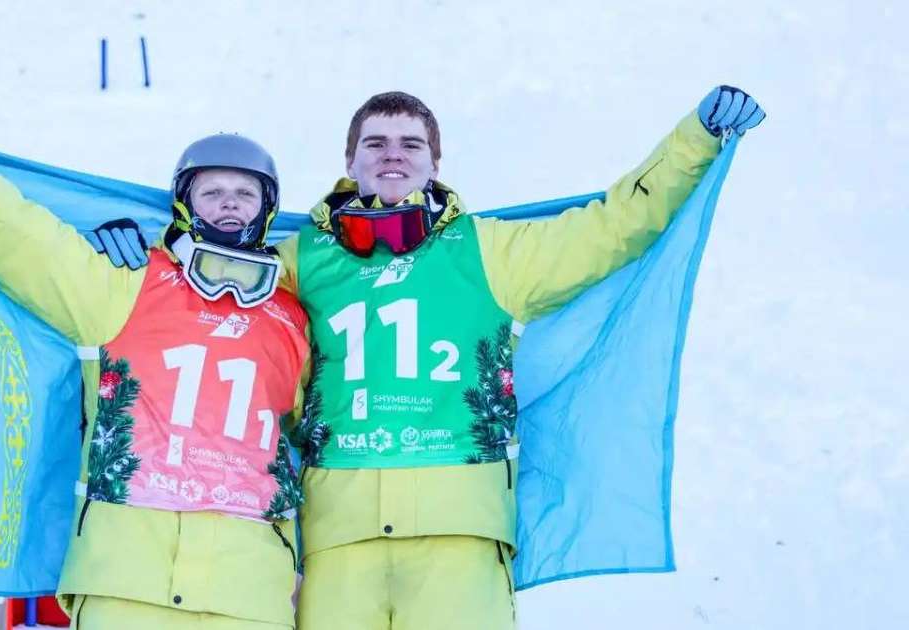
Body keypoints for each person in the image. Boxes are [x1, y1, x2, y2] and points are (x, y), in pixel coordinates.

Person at [268, 86, 764, 630]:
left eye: (411, 144)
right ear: (349, 161)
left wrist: (697, 139)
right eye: (376, 142)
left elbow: (611, 228)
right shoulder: (300, 259)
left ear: (435, 163)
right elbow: (210, 298)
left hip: (461, 536)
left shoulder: (490, 250)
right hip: (338, 535)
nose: (393, 154)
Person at [0, 88, 310, 630]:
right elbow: (14, 233)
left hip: (248, 594)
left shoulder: (297, 317)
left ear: (267, 207)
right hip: (123, 584)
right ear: (183, 203)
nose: (228, 203)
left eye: (245, 192)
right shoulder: (125, 287)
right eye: (211, 191)